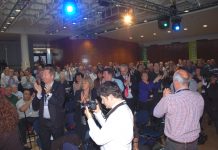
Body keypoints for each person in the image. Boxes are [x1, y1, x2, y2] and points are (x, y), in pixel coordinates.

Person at [153, 69, 204, 150]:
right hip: (193, 142)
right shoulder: (199, 97)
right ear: (188, 82)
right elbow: (199, 115)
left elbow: (156, 113)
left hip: (175, 144)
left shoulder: (169, 99)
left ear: (175, 82)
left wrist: (164, 97)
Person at [84, 81, 133, 150]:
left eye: (103, 99)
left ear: (110, 97)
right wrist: (98, 113)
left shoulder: (118, 115)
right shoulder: (123, 108)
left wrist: (89, 118)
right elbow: (108, 128)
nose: (102, 102)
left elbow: (99, 139)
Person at [32, 66, 65, 150]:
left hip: (56, 122)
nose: (43, 76)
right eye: (42, 74)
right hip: (43, 123)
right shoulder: (41, 87)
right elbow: (34, 107)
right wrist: (38, 94)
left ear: (52, 76)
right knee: (45, 146)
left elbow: (60, 103)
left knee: (59, 145)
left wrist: (49, 94)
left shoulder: (59, 86)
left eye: (45, 74)